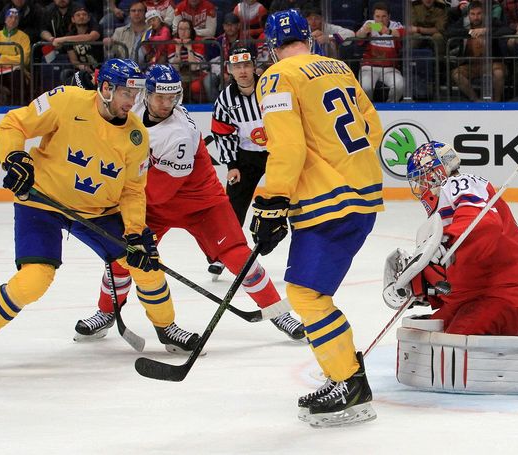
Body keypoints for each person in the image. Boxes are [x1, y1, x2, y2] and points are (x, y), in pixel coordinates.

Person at [0, 59, 202, 368]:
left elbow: (133, 190)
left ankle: (167, 328)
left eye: (137, 93)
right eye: (127, 93)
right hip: (43, 202)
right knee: (34, 279)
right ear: (106, 88)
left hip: (99, 211)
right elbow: (14, 123)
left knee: (148, 264)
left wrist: (136, 232)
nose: (133, 101)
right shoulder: (66, 100)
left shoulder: (136, 135)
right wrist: (15, 155)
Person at [73, 64, 306, 344]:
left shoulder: (178, 135)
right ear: (145, 95)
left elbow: (157, 192)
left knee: (238, 256)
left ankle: (277, 311)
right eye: (160, 97)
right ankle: (106, 311)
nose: (166, 104)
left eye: (172, 98)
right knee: (123, 255)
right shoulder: (131, 110)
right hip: (155, 203)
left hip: (201, 203)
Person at [252, 9, 384, 427]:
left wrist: (272, 200)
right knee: (311, 293)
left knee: (307, 296)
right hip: (362, 195)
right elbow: (372, 127)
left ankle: (349, 384)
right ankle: (343, 374)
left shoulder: (276, 77)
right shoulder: (339, 67)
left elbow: (288, 148)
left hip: (327, 200)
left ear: (272, 46)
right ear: (308, 39)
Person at [385, 140, 518, 336]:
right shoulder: (445, 209)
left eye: (421, 178)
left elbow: (484, 226)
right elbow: (460, 267)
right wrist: (424, 290)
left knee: (454, 343)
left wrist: (447, 243)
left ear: (437, 173)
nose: (420, 186)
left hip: (509, 294)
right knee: (420, 333)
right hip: (480, 294)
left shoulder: (459, 184)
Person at [212, 46, 267, 227]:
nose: (242, 71)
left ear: (254, 66)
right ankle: (229, 251)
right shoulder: (225, 99)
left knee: (296, 201)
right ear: (229, 69)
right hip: (247, 157)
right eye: (237, 66)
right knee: (232, 210)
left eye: (246, 65)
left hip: (279, 154)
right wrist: (232, 165)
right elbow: (222, 132)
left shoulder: (270, 88)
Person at [448, 0, 511, 102]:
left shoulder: (491, 21)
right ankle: (475, 99)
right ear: (468, 14)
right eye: (472, 14)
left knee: (499, 73)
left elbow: (507, 30)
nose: (476, 17)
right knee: (456, 75)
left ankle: (497, 101)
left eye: (479, 14)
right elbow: (449, 31)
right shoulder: (464, 23)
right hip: (470, 64)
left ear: (484, 14)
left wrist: (486, 30)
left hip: (491, 63)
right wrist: (469, 32)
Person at [355, 2, 405, 102]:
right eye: (377, 16)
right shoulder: (369, 24)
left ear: (389, 17)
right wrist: (364, 31)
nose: (380, 20)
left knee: (400, 85)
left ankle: (391, 106)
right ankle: (369, 110)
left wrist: (387, 31)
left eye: (384, 16)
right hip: (369, 67)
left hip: (390, 68)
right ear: (373, 16)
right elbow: (358, 36)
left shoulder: (396, 25)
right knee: (365, 87)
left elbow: (402, 33)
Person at [0, 7, 31, 105]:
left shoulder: (24, 37)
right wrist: (13, 59)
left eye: (16, 18)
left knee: (16, 77)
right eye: (10, 17)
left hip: (17, 71)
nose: (13, 20)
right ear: (5, 19)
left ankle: (18, 107)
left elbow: (24, 60)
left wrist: (1, 57)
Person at [168, 18, 212, 102]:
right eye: (180, 29)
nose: (183, 32)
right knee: (178, 86)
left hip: (198, 74)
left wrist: (189, 48)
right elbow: (175, 68)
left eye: (186, 29)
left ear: (191, 30)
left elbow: (194, 67)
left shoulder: (198, 42)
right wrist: (177, 49)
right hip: (180, 74)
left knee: (195, 87)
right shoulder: (172, 44)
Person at [64, 6, 102, 75]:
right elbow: (73, 60)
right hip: (82, 71)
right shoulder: (70, 35)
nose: (81, 17)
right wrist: (82, 67)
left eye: (84, 14)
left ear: (88, 18)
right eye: (78, 15)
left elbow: (90, 37)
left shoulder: (96, 28)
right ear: (73, 19)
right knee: (65, 73)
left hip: (100, 69)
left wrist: (62, 39)